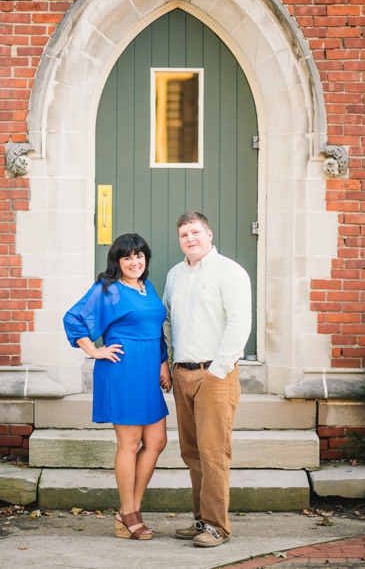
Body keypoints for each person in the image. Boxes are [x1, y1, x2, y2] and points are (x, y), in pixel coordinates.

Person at [63, 233, 170, 541]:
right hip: (123, 371)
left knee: (157, 440)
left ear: (146, 258)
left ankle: (129, 511)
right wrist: (94, 350)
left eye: (139, 256)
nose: (134, 262)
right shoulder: (107, 290)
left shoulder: (147, 287)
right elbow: (74, 319)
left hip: (149, 369)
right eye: (127, 257)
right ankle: (129, 514)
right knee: (130, 443)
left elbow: (155, 330)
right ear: (117, 262)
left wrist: (163, 363)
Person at [163, 211, 252, 548]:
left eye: (196, 232)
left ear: (209, 235)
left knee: (214, 453)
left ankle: (218, 527)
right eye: (184, 234)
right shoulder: (175, 274)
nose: (190, 239)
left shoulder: (229, 272)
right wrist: (170, 362)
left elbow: (239, 322)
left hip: (215, 373)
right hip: (182, 373)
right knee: (192, 453)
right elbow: (168, 320)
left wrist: (219, 369)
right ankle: (201, 520)